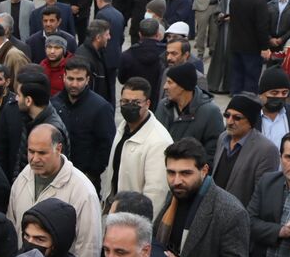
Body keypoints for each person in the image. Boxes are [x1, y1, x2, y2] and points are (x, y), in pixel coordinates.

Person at [153, 137, 250, 257]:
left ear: (204, 171)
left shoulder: (231, 212)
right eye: (171, 173)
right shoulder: (174, 195)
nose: (176, 181)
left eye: (185, 173)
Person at [10, 124, 101, 257]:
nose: (34, 159)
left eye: (42, 153)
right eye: (31, 151)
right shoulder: (23, 178)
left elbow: (88, 250)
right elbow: (13, 226)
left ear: (58, 149)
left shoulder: (83, 191)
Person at [103, 77, 173, 217]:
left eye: (136, 102)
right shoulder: (123, 127)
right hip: (115, 210)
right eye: (125, 101)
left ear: (147, 104)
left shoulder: (159, 141)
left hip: (134, 219)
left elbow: (156, 194)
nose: (129, 106)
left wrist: (141, 224)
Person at [55, 57, 115, 188]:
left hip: (86, 178)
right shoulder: (54, 104)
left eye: (79, 79)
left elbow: (106, 145)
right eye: (70, 78)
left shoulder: (101, 107)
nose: (74, 84)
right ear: (64, 77)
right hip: (57, 175)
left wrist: (92, 173)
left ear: (87, 80)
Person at [153, 62, 222, 165]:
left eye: (170, 82)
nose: (165, 87)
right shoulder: (163, 106)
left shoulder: (210, 112)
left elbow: (212, 151)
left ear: (182, 86)